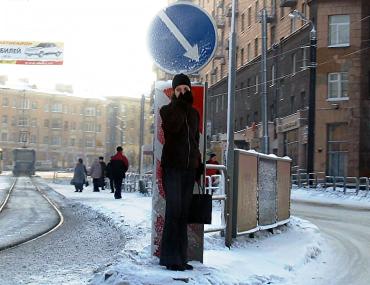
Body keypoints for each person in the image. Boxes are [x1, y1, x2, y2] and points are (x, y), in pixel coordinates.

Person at [159, 73, 201, 271]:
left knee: (183, 213)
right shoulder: (167, 111)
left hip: (188, 169)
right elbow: (172, 129)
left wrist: (198, 164)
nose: (183, 92)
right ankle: (170, 258)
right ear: (174, 92)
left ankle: (182, 258)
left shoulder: (194, 114)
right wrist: (179, 104)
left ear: (190, 90)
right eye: (178, 90)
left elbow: (195, 141)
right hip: (173, 168)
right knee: (173, 211)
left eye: (185, 89)